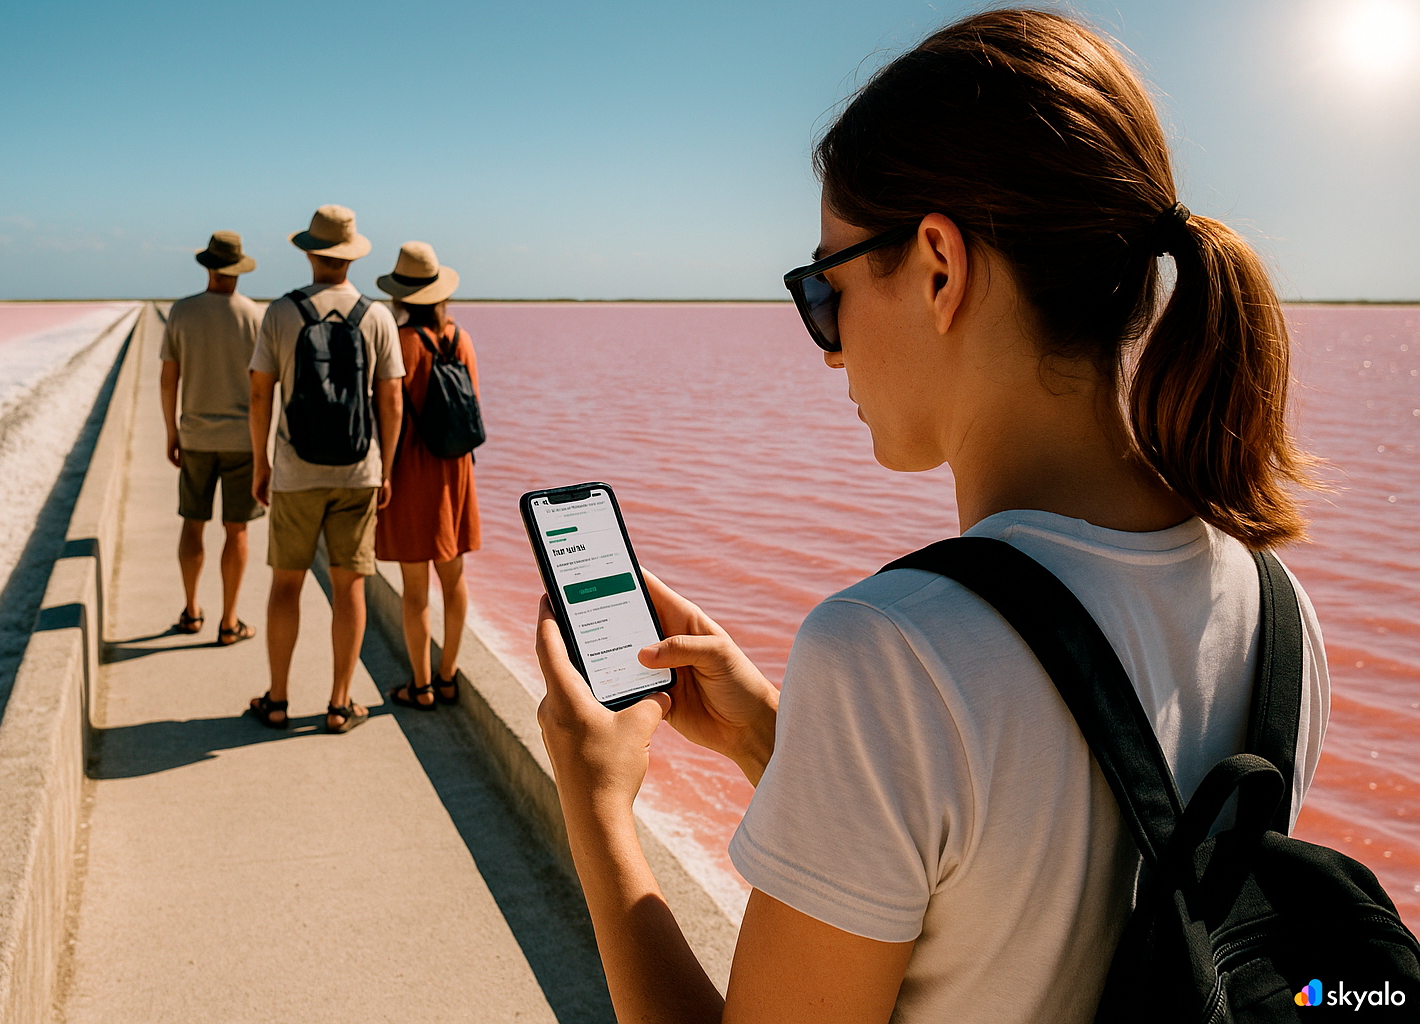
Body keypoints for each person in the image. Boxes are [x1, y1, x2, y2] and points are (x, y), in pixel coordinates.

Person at [531, 10, 1332, 1024]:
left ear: (940, 267)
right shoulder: (1280, 611)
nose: (827, 347)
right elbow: (1042, 871)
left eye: (824, 289)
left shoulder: (890, 654)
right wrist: (773, 736)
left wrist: (598, 806)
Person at [245, 205, 403, 733]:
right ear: (350, 255)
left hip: (294, 469)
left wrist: (261, 462)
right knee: (350, 586)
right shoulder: (377, 316)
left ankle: (279, 699)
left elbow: (260, 394)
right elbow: (392, 403)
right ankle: (340, 703)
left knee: (285, 584)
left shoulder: (281, 313)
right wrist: (386, 470)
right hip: (359, 472)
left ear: (311, 252)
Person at [374, 242, 480, 710]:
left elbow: (391, 411)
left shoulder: (399, 343)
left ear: (400, 295)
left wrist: (383, 471)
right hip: (456, 470)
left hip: (413, 471)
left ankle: (420, 686)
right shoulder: (461, 338)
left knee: (415, 588)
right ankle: (449, 675)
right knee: (454, 579)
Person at [159, 230, 264, 645]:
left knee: (193, 523)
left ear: (208, 266)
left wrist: (172, 430)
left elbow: (169, 378)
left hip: (196, 436)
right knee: (236, 530)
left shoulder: (181, 313)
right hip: (242, 439)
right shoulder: (255, 316)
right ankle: (229, 621)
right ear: (238, 269)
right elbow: (262, 388)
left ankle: (191, 610)